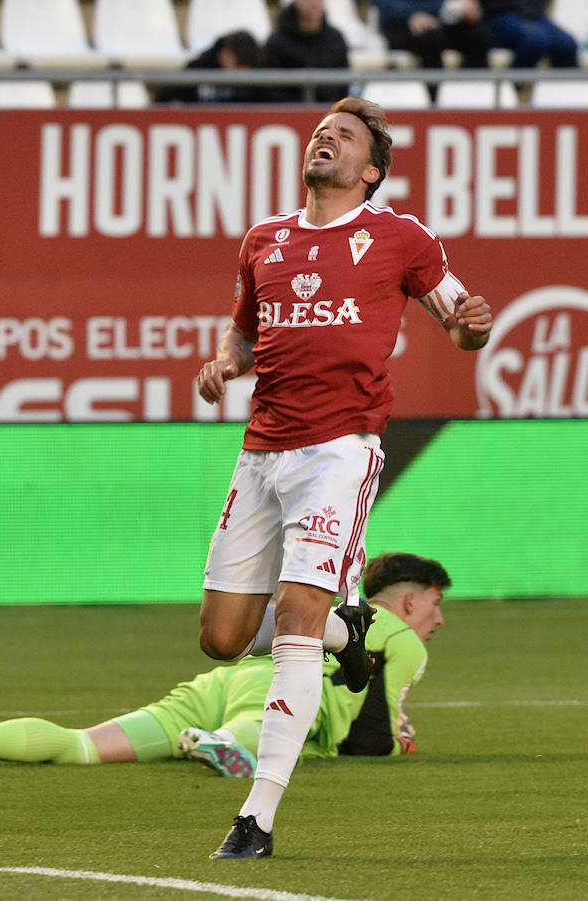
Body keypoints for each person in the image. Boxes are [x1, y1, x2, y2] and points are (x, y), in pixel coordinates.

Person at [193, 97, 491, 860]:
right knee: (222, 639)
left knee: (292, 620)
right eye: (322, 128)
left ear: (371, 171)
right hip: (260, 451)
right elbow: (249, 329)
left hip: (339, 450)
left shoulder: (398, 237)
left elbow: (456, 318)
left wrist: (471, 327)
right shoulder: (266, 238)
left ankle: (256, 817)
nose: (325, 136)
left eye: (345, 134)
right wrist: (229, 360)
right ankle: (347, 629)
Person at [0, 553, 451, 775]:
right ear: (408, 600)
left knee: (82, 746)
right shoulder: (399, 638)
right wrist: (401, 742)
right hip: (276, 692)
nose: (438, 619)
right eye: (435, 603)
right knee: (262, 724)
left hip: (220, 682)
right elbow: (375, 728)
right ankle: (226, 744)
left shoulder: (320, 606)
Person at [262, 0, 351, 103]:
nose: (314, 2)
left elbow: (343, 86)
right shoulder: (276, 43)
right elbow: (269, 90)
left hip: (330, 113)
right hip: (289, 115)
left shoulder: (336, 39)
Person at [368, 0, 492, 72]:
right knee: (431, 39)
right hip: (399, 25)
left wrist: (464, 6)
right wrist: (410, 15)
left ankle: (477, 100)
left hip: (443, 20)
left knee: (477, 36)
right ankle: (434, 104)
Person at [154, 30, 263, 104]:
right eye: (238, 66)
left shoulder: (258, 75)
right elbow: (164, 96)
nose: (241, 74)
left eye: (246, 68)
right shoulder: (199, 69)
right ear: (225, 54)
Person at [482, 0, 579, 70]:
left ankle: (561, 95)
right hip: (499, 14)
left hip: (534, 15)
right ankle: (510, 89)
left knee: (567, 44)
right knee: (536, 39)